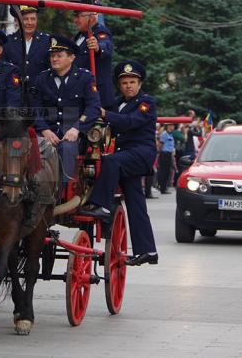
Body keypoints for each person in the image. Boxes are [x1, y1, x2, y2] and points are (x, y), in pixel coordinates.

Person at [84, 60, 159, 266]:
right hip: (126, 155)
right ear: (119, 85)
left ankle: (102, 206)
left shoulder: (146, 102)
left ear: (140, 83)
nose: (129, 86)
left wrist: (105, 114)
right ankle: (148, 251)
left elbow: (130, 122)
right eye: (125, 82)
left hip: (141, 153)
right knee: (136, 205)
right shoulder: (117, 103)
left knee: (111, 162)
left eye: (133, 81)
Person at [30, 35, 101, 182]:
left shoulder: (85, 78)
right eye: (52, 55)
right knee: (26, 148)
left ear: (71, 57)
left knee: (66, 149)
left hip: (73, 134)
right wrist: (44, 130)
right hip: (46, 132)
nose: (54, 59)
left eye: (59, 55)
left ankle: (61, 197)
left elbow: (93, 108)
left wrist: (77, 128)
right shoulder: (41, 79)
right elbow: (35, 108)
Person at [72, 0, 115, 109]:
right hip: (81, 96)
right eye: (74, 16)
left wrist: (97, 47)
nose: (75, 20)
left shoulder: (100, 32)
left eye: (78, 15)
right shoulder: (78, 37)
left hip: (98, 97)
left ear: (90, 15)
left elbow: (105, 46)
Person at [4, 5, 51, 83]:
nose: (30, 23)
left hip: (39, 93)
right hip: (14, 92)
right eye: (25, 19)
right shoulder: (7, 42)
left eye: (33, 19)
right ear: (16, 20)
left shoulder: (47, 41)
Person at [158, 123, 175, 194]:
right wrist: (160, 153)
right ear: (168, 126)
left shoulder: (170, 134)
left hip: (169, 154)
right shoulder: (164, 134)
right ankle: (162, 188)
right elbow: (160, 145)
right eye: (171, 125)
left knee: (167, 172)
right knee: (163, 172)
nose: (173, 127)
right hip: (164, 154)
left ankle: (164, 187)